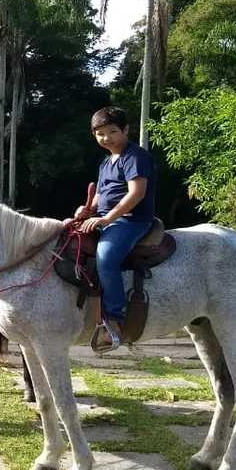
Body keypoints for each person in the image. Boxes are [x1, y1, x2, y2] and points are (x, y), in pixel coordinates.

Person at [75, 106, 158, 353]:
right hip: (106, 218)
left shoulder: (135, 156)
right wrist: (87, 209)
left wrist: (107, 219)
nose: (106, 138)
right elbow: (101, 194)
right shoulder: (106, 161)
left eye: (112, 131)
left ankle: (115, 318)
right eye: (100, 133)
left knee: (106, 257)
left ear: (125, 130)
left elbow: (136, 193)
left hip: (131, 220)